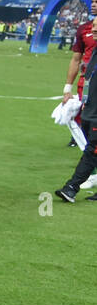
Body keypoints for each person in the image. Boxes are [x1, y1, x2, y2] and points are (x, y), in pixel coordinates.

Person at [55, 48, 97, 202]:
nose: (93, 29)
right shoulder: (94, 52)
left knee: (92, 151)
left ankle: (71, 188)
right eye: (93, 25)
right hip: (89, 110)